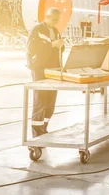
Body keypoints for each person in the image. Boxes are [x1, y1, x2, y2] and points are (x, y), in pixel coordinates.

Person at [27, 7, 65, 137]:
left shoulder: (55, 31)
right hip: (40, 70)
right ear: (47, 17)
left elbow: (57, 50)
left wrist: (61, 45)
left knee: (50, 102)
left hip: (53, 70)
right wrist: (52, 45)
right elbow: (32, 49)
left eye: (58, 20)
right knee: (40, 101)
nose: (56, 22)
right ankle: (37, 134)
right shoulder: (37, 30)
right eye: (54, 19)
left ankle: (44, 128)